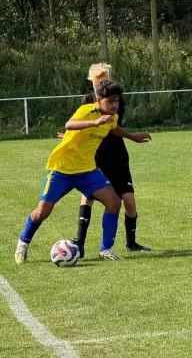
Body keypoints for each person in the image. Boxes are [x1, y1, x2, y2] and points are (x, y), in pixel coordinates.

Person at [15, 80, 130, 263]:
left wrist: (133, 137)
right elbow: (69, 124)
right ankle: (23, 242)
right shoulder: (88, 111)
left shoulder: (111, 117)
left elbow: (114, 129)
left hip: (87, 172)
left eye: (117, 101)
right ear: (99, 100)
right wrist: (95, 122)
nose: (115, 105)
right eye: (110, 101)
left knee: (114, 202)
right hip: (61, 170)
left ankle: (106, 249)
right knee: (42, 212)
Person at [71, 63, 151, 258]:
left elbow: (114, 128)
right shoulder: (86, 102)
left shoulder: (116, 101)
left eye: (105, 81)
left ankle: (131, 243)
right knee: (87, 198)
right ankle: (79, 243)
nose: (102, 86)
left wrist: (132, 136)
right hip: (95, 158)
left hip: (117, 157)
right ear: (92, 84)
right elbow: (79, 125)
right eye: (98, 83)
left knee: (129, 202)